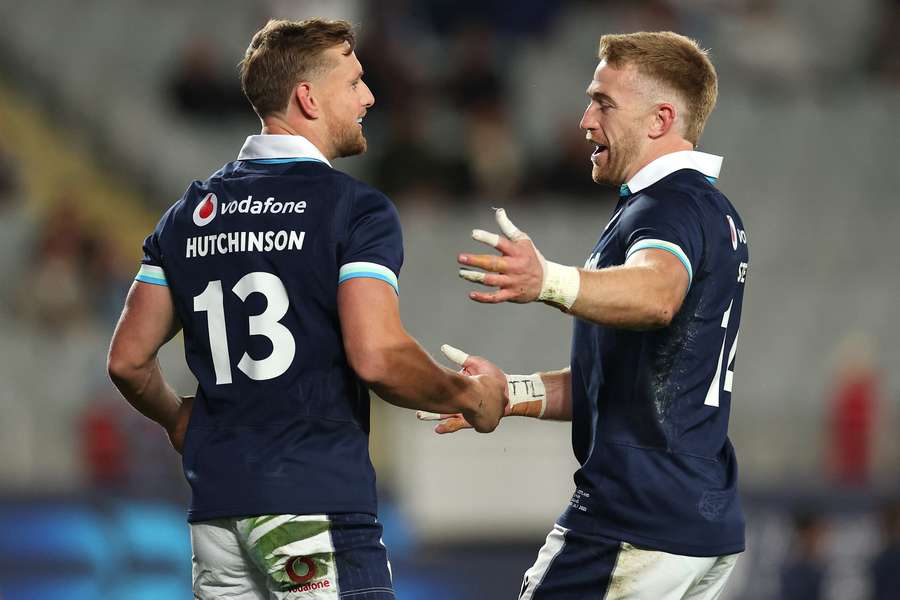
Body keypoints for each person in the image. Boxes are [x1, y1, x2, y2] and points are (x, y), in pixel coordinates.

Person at [106, 18, 505, 600]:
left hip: (217, 516)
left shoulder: (186, 215)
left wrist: (176, 418)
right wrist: (471, 397)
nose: (369, 97)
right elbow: (378, 357)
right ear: (308, 98)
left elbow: (127, 360)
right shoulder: (353, 210)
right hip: (312, 504)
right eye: (355, 82)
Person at [421, 31, 749, 599]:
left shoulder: (668, 205)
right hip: (695, 519)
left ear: (659, 118)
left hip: (634, 515)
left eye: (603, 102)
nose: (585, 120)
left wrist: (546, 279)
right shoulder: (699, 208)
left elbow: (656, 293)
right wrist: (513, 392)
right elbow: (624, 382)